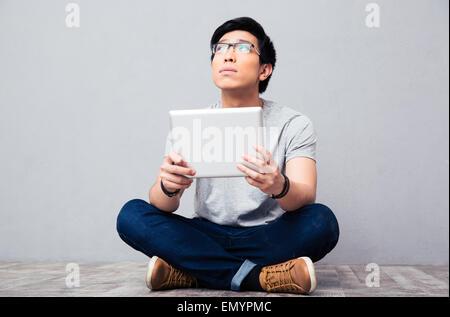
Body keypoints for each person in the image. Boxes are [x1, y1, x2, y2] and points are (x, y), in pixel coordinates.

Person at [116, 17, 339, 295]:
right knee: (131, 215)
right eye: (220, 48)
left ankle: (193, 271)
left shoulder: (294, 123)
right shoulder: (191, 124)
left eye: (243, 48)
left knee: (322, 222)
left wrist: (279, 186)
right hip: (204, 233)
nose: (228, 55)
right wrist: (167, 187)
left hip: (266, 235)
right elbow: (163, 205)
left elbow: (305, 197)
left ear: (264, 70)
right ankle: (257, 277)